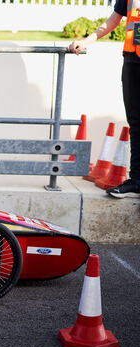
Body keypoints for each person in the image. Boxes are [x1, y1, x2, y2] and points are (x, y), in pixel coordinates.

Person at [69, 1, 140, 199]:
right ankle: (136, 181)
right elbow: (113, 21)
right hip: (132, 60)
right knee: (135, 122)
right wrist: (85, 42)